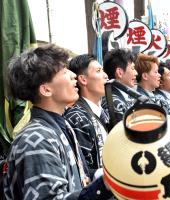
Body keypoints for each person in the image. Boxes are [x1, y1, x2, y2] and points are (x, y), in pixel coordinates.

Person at [4, 44, 112, 199]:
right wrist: (104, 186)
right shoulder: (36, 139)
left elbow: (82, 178)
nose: (73, 75)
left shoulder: (61, 126)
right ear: (46, 90)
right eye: (63, 71)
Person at [64, 54, 109, 179]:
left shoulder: (102, 112)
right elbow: (83, 171)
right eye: (99, 71)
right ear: (83, 80)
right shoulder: (76, 117)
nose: (105, 76)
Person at [101, 48, 137, 124]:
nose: (136, 73)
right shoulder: (113, 102)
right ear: (119, 72)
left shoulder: (125, 95)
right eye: (133, 68)